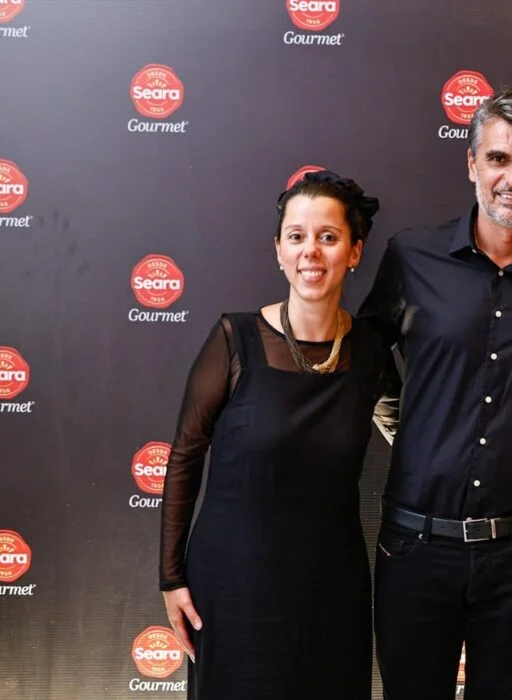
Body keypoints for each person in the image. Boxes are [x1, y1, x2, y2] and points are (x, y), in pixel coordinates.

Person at [358, 86, 512, 699]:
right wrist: (409, 428)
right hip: (414, 544)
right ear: (471, 163)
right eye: (498, 158)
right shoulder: (411, 257)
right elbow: (364, 359)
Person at [158, 171, 388, 699]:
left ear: (354, 252)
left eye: (328, 237)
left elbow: (411, 428)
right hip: (233, 587)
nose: (311, 252)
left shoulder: (371, 351)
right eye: (296, 236)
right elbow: (185, 456)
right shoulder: (234, 340)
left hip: (333, 592)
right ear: (279, 250)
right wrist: (171, 578)